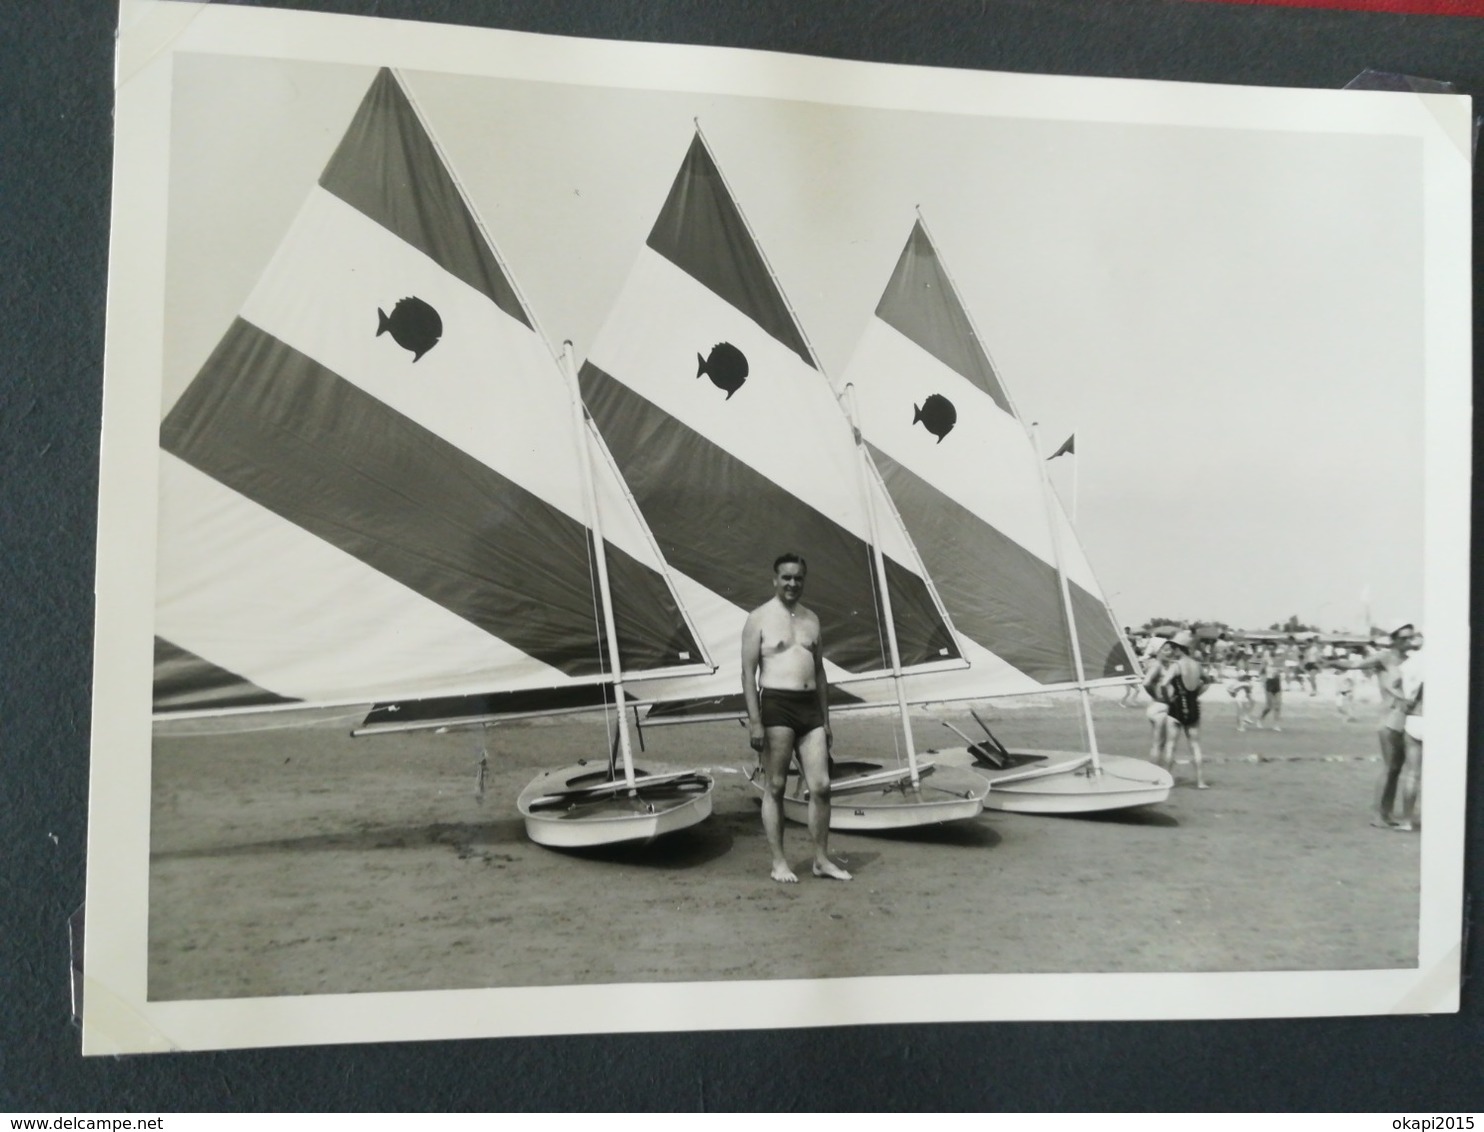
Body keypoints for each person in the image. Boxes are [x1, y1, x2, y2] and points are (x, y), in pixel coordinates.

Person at [741, 553, 851, 883]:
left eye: (798, 578)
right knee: (775, 785)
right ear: (775, 580)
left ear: (804, 580)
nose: (792, 583)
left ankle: (820, 860)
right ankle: (779, 863)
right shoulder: (758, 618)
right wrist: (756, 721)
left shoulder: (811, 620)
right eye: (786, 577)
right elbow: (748, 674)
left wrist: (826, 720)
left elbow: (819, 673)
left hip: (809, 709)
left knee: (822, 786)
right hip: (776, 705)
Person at [1335, 625, 1417, 829]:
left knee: (1397, 769)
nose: (1409, 642)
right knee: (1390, 767)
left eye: (1411, 637)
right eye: (1405, 638)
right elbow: (1354, 665)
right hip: (1389, 717)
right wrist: (1327, 662)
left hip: (1407, 717)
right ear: (1395, 639)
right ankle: (1377, 814)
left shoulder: (1413, 661)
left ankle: (1386, 813)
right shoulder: (1384, 657)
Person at [1157, 629, 1210, 789]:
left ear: (1179, 648)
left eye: (1174, 647)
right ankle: (1200, 781)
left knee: (1171, 745)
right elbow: (1207, 681)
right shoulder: (1197, 665)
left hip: (1177, 707)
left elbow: (1163, 684)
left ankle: (1167, 780)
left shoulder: (1176, 666)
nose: (1172, 650)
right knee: (1195, 745)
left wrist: (1167, 699)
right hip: (1193, 706)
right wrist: (1197, 694)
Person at [1394, 634, 1424, 832]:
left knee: (1412, 774)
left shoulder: (1414, 661)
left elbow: (1400, 686)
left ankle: (1406, 820)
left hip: (1416, 717)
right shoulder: (1450, 657)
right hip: (1442, 721)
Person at [1257, 645, 1284, 730]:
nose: (1273, 651)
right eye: (1271, 649)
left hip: (1277, 682)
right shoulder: (1266, 660)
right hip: (1269, 682)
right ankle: (1260, 719)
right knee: (1269, 706)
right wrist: (1262, 681)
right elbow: (1261, 671)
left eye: (1274, 649)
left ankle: (1276, 724)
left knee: (1278, 705)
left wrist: (1280, 671)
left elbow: (1282, 669)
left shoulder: (1279, 659)